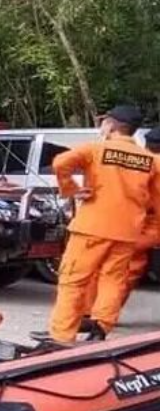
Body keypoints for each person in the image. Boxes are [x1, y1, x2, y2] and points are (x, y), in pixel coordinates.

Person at [49, 106, 160, 344]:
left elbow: (60, 163)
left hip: (91, 229)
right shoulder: (151, 161)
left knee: (73, 279)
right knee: (113, 280)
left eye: (104, 122)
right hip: (128, 233)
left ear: (110, 125)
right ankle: (101, 327)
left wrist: (71, 189)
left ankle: (61, 336)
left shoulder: (96, 149)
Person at [79, 126, 160, 318]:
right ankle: (100, 316)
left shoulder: (139, 163)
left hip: (122, 224)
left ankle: (91, 314)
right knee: (122, 273)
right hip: (142, 228)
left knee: (101, 269)